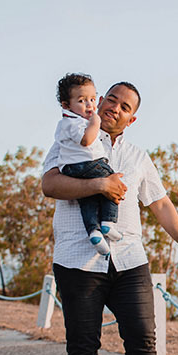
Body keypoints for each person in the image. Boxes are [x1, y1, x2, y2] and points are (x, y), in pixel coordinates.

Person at [42, 81, 178, 355]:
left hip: (130, 260)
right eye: (110, 99)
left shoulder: (137, 156)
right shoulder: (72, 137)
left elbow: (160, 204)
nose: (114, 106)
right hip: (78, 260)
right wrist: (100, 183)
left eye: (124, 105)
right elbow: (50, 184)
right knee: (83, 346)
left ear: (132, 118)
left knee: (144, 341)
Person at [55, 73, 121, 257]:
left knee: (88, 199)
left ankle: (94, 233)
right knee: (112, 180)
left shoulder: (70, 122)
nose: (90, 105)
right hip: (86, 164)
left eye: (92, 99)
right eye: (82, 101)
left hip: (73, 169)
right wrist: (95, 122)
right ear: (66, 105)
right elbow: (86, 140)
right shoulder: (72, 122)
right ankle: (108, 222)